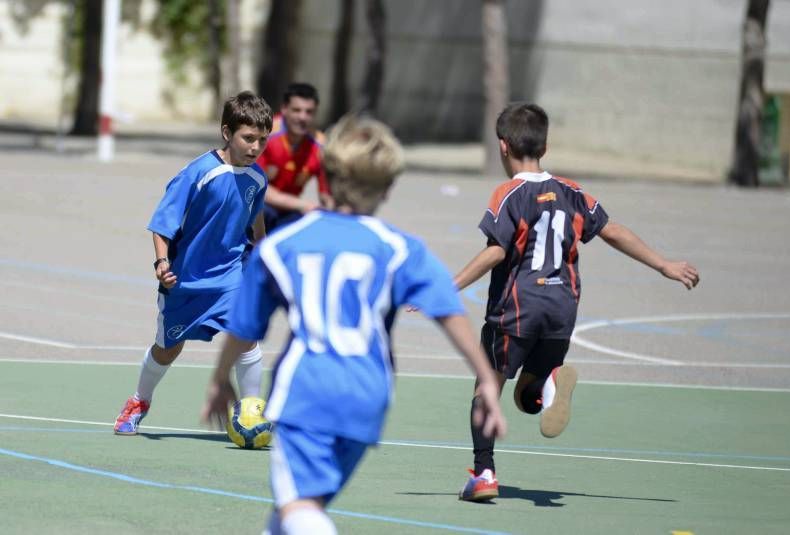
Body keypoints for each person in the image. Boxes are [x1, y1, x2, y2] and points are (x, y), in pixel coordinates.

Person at [202, 116, 507, 535]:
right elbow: (447, 309)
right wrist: (486, 377)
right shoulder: (399, 248)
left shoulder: (281, 246)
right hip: (369, 393)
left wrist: (220, 379)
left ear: (322, 178)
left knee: (300, 510)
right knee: (293, 512)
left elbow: (243, 327)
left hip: (306, 390)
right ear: (387, 189)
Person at [455, 103, 700, 501]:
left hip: (518, 308)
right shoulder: (572, 192)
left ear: (503, 146)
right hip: (562, 308)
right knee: (528, 397)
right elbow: (612, 230)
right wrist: (663, 265)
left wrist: (450, 285)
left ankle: (483, 474)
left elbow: (496, 251)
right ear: (545, 146)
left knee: (488, 387)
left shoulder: (508, 193)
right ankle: (551, 381)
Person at [113, 91, 273, 435]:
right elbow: (162, 222)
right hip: (185, 279)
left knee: (245, 336)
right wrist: (161, 263)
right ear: (226, 132)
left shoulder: (258, 178)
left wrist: (263, 251)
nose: (256, 147)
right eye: (248, 138)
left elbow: (255, 214)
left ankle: (251, 412)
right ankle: (139, 400)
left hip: (231, 273)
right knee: (168, 348)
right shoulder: (198, 173)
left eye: (262, 140)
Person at [256, 82, 333, 234]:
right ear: (284, 109)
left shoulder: (321, 147)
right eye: (296, 110)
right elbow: (256, 188)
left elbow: (327, 196)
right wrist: (303, 205)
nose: (302, 117)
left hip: (289, 211)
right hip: (256, 207)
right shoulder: (264, 136)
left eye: (309, 112)